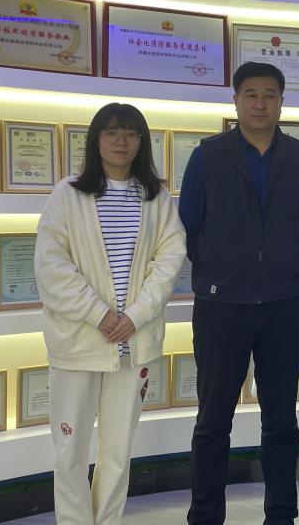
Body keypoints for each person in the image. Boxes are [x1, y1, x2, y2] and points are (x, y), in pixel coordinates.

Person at [179, 61, 299, 525]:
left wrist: (278, 264)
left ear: (281, 102)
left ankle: (281, 515)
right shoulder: (209, 154)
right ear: (236, 101)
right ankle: (205, 516)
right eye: (251, 95)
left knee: (281, 421)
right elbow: (190, 222)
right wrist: (222, 268)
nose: (260, 104)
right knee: (212, 420)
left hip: (283, 305)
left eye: (269, 95)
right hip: (221, 305)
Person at [35, 102, 186, 525]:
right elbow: (51, 265)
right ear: (96, 139)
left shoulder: (156, 197)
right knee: (70, 451)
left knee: (118, 451)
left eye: (131, 133)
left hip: (132, 344)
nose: (122, 141)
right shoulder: (68, 194)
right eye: (112, 132)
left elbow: (169, 260)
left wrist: (134, 316)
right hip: (80, 342)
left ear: (142, 142)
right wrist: (98, 314)